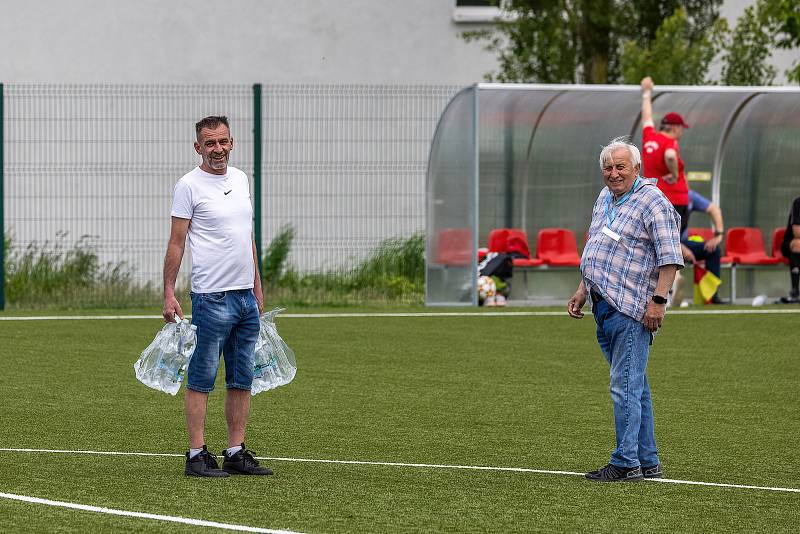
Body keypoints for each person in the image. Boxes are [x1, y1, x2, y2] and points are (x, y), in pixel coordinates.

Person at [567, 137, 683, 482]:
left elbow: (670, 257)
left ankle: (625, 462)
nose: (613, 173)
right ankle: (647, 461)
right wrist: (583, 288)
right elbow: (596, 245)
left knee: (625, 387)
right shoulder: (605, 197)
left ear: (636, 168)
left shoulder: (653, 201)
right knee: (636, 385)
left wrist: (658, 302)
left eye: (620, 167)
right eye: (608, 167)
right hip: (603, 306)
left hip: (633, 309)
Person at [163, 116, 272, 477]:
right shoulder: (188, 186)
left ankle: (235, 451)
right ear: (198, 148)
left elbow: (247, 236)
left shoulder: (240, 179)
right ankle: (196, 455)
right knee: (202, 377)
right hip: (211, 298)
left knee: (242, 377)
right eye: (210, 143)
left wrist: (256, 283)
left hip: (244, 298)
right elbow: (177, 242)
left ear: (232, 142)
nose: (218, 149)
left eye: (223, 141)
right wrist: (168, 292)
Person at [640, 76, 690, 235]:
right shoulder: (670, 142)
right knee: (671, 243)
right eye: (681, 129)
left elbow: (647, 117)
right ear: (675, 128)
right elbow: (669, 156)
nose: (681, 133)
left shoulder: (649, 136)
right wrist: (674, 174)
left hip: (653, 200)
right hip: (674, 200)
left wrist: (646, 93)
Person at [678, 189, 727, 305]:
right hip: (660, 243)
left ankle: (711, 296)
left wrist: (718, 235)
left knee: (712, 250)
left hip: (683, 242)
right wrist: (679, 247)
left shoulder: (689, 195)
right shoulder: (658, 194)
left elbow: (714, 209)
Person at [779, 196, 800, 303]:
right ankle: (795, 292)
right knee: (798, 244)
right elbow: (797, 233)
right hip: (790, 244)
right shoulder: (798, 202)